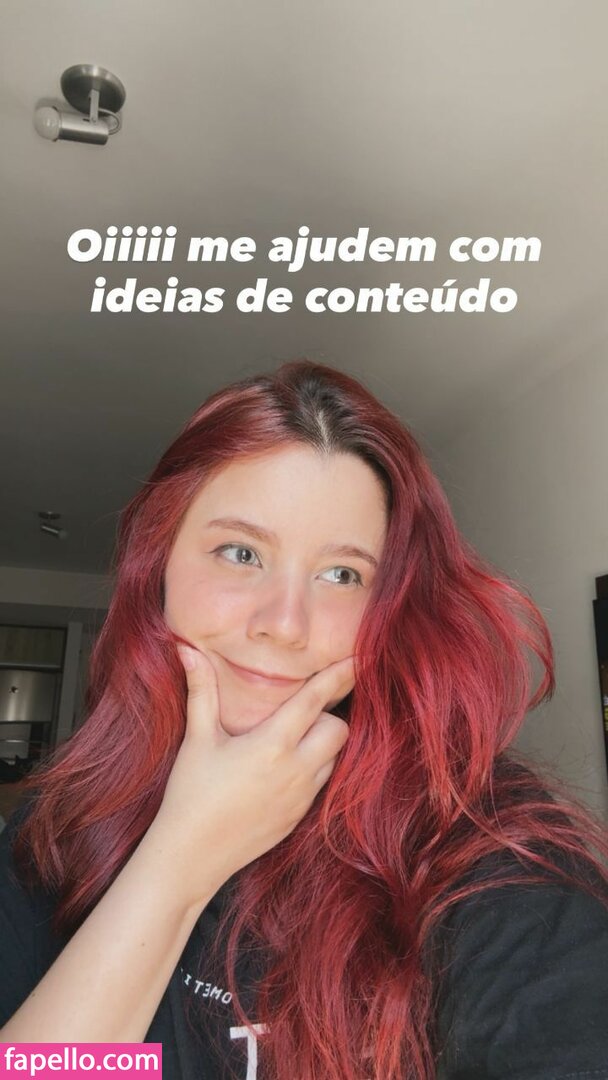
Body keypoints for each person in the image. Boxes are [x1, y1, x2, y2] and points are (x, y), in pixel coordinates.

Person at [1, 360, 608, 1080]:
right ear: (157, 566)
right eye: (240, 553)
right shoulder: (55, 828)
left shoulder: (481, 847)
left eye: (342, 574)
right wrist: (178, 860)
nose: (285, 624)